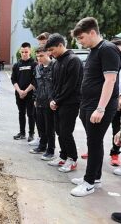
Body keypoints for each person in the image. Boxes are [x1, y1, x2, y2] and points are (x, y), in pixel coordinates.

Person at [70, 17, 120, 197]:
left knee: (94, 142)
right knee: (94, 142)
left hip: (99, 107)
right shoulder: (94, 50)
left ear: (92, 32)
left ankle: (89, 182)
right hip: (87, 104)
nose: (80, 42)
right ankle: (95, 178)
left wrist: (100, 109)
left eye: (81, 38)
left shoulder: (107, 49)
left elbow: (111, 80)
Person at [45, 33, 83, 173]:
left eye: (52, 50)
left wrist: (57, 100)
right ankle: (63, 156)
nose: (50, 53)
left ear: (61, 45)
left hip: (70, 103)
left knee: (66, 132)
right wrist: (51, 99)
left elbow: (71, 85)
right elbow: (52, 83)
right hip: (57, 103)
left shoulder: (74, 61)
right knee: (59, 131)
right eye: (49, 50)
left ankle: (72, 159)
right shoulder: (56, 62)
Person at [80, 38, 121, 166]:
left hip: (112, 101)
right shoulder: (107, 59)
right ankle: (93, 154)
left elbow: (112, 81)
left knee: (116, 129)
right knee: (95, 138)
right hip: (106, 99)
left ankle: (115, 153)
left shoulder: (111, 56)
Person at [29, 46, 55, 161]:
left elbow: (56, 85)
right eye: (37, 56)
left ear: (48, 54)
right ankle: (42, 146)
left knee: (50, 128)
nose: (39, 58)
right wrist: (35, 99)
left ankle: (51, 150)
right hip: (39, 101)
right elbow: (36, 85)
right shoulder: (38, 68)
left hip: (50, 102)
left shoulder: (55, 66)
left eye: (41, 55)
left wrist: (54, 100)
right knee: (40, 126)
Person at [11, 42, 37, 142]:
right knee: (21, 113)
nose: (24, 54)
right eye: (22, 52)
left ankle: (31, 133)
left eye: (26, 52)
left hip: (30, 94)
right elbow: (13, 79)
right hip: (19, 94)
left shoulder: (34, 64)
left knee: (30, 114)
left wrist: (25, 91)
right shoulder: (17, 65)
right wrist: (19, 91)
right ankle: (22, 133)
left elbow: (35, 80)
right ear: (20, 52)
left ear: (30, 51)